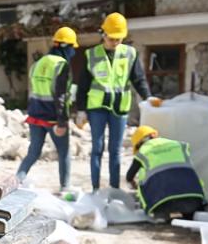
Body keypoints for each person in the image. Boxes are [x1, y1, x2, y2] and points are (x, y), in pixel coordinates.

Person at [75, 12, 149, 191]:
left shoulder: (130, 54)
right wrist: (81, 110)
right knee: (97, 149)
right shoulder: (91, 54)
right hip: (96, 109)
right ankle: (95, 189)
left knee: (115, 151)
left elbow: (138, 79)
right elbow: (83, 85)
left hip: (120, 108)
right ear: (103, 34)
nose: (115, 42)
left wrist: (149, 97)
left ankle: (114, 189)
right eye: (111, 38)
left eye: (119, 39)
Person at [16, 27, 77, 193]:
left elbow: (34, 89)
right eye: (73, 48)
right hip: (53, 118)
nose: (73, 52)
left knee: (33, 152)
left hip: (35, 116)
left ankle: (16, 182)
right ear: (66, 47)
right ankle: (65, 187)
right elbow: (61, 96)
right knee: (63, 152)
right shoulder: (61, 65)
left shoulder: (38, 64)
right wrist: (63, 121)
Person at [125, 125, 205, 221]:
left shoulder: (143, 151)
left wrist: (132, 183)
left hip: (162, 202)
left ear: (138, 145)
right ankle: (201, 209)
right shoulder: (177, 144)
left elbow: (129, 176)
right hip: (193, 197)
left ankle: (160, 214)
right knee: (189, 207)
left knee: (144, 179)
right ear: (154, 135)